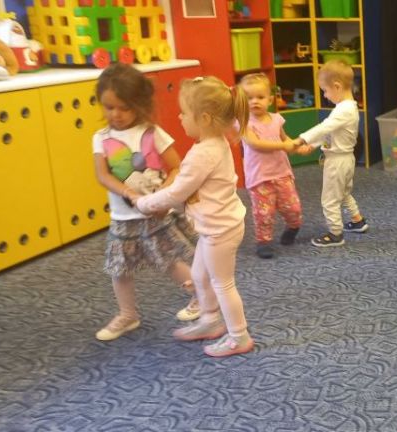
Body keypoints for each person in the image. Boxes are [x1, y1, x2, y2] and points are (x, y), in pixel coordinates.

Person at [134, 76, 254, 357]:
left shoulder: (203, 154)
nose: (180, 117)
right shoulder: (212, 144)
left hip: (220, 230)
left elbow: (178, 192)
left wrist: (145, 203)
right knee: (200, 275)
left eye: (184, 112)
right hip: (215, 226)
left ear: (204, 118)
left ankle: (239, 336)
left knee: (223, 283)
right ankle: (210, 320)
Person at [91, 63, 199, 341]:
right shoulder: (101, 138)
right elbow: (103, 175)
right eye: (109, 107)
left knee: (169, 260)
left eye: (124, 108)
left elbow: (177, 167)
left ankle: (202, 296)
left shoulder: (152, 133)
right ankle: (128, 314)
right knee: (119, 268)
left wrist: (162, 194)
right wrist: (129, 193)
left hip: (155, 214)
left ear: (139, 105)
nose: (116, 114)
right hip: (123, 217)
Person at [293, 59, 369, 247]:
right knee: (343, 193)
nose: (325, 95)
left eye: (325, 90)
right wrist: (313, 145)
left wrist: (302, 139)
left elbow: (325, 127)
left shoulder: (344, 110)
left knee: (329, 199)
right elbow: (331, 132)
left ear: (337, 86)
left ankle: (335, 234)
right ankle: (357, 220)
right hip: (345, 159)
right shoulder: (347, 107)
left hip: (337, 162)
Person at [236, 73, 303, 259]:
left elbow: (285, 139)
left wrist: (297, 147)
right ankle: (263, 241)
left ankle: (293, 227)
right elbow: (255, 144)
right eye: (249, 98)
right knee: (263, 213)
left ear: (270, 100)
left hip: (282, 173)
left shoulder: (276, 119)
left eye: (260, 97)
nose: (254, 101)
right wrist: (283, 146)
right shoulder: (244, 123)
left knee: (293, 208)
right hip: (260, 177)